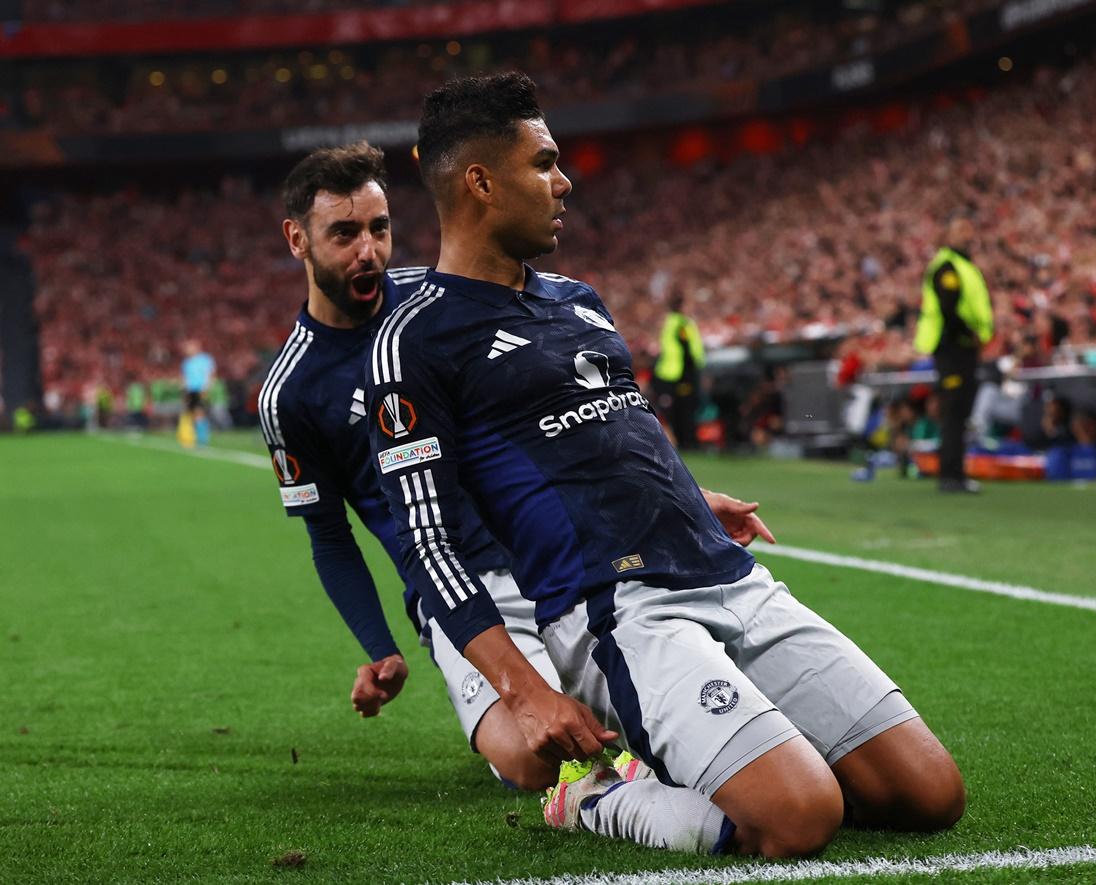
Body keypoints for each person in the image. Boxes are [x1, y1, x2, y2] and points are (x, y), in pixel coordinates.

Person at [365, 73, 963, 859]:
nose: (563, 180)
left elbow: (619, 432)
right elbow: (428, 544)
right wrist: (527, 689)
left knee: (929, 795)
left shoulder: (578, 299)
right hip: (619, 609)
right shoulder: (413, 343)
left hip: (726, 575)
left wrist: (687, 497)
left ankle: (724, 757)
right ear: (479, 182)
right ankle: (599, 795)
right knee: (799, 818)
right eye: (543, 163)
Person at [258, 142, 774, 792]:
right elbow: (329, 539)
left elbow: (570, 426)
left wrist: (688, 500)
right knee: (535, 761)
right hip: (460, 586)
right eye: (344, 233)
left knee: (674, 703)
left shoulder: (442, 307)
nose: (369, 250)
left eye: (379, 228)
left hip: (557, 553)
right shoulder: (291, 393)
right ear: (297, 240)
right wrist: (380, 648)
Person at [914, 216, 993, 493]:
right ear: (948, 234)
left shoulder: (963, 265)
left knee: (958, 412)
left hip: (963, 348)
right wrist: (967, 334)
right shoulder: (947, 266)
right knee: (954, 411)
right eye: (960, 228)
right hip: (952, 347)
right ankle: (950, 475)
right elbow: (949, 309)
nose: (966, 233)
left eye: (969, 227)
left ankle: (954, 473)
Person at [653, 293, 706, 448]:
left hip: (672, 372)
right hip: (678, 373)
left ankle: (680, 441)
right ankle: (685, 441)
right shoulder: (681, 323)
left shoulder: (671, 321)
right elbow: (687, 348)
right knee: (683, 409)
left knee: (677, 409)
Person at [180, 338, 215, 447]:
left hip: (201, 390)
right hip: (190, 391)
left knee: (199, 413)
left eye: (190, 347)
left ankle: (202, 439)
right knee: (193, 414)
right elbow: (185, 378)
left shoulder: (205, 360)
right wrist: (184, 391)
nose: (188, 350)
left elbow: (210, 374)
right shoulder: (186, 362)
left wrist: (206, 388)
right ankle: (196, 437)